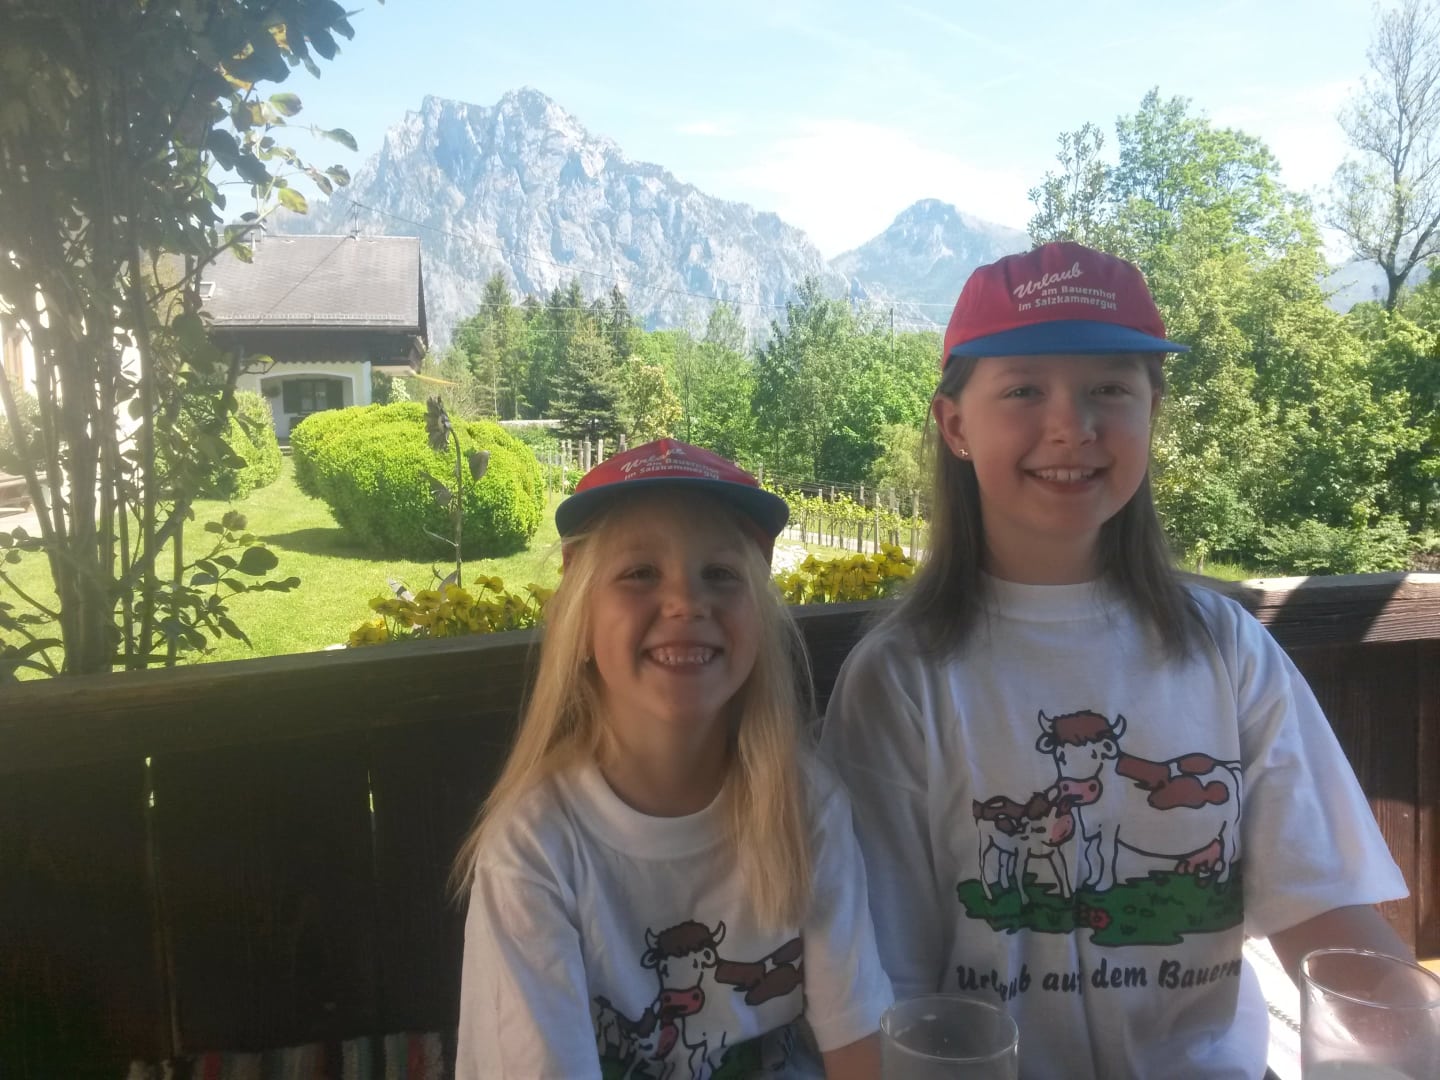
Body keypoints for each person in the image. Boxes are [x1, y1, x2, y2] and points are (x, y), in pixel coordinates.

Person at [820, 242, 1412, 1079]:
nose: (1072, 425)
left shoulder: (1227, 649)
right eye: (1024, 390)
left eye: (1109, 388)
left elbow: (1326, 919)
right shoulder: (900, 678)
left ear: (1151, 409)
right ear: (955, 425)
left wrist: (1415, 1038)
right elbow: (896, 987)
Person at [454, 438, 891, 1080]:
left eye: (721, 574)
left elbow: (859, 1046)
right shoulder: (534, 848)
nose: (686, 601)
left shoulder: (804, 804)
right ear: (579, 622)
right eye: (640, 573)